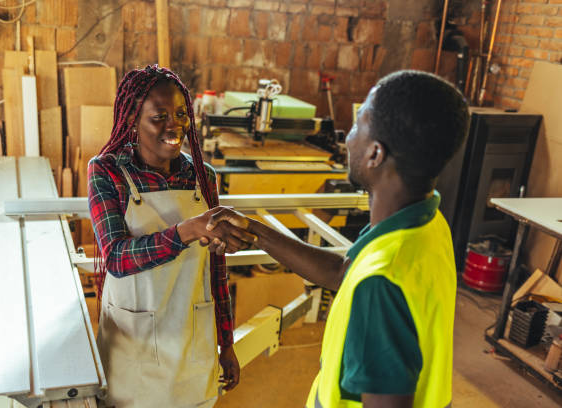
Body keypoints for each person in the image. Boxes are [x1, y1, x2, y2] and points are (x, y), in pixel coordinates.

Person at [205, 70, 470, 408]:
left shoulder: (381, 283)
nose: (347, 138)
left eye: (359, 125)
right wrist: (256, 230)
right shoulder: (426, 225)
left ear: (375, 154)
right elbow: (345, 272)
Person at [87, 65, 253, 408]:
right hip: (133, 343)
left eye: (180, 114)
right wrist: (187, 231)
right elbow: (116, 258)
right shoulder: (107, 171)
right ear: (133, 119)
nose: (174, 125)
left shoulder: (203, 176)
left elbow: (215, 269)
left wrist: (226, 342)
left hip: (192, 336)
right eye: (159, 116)